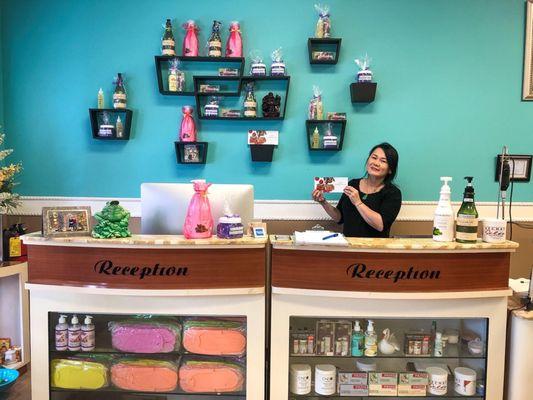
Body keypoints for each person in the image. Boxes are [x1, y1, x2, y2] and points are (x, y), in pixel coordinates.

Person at [312, 142, 402, 238]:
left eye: (383, 161)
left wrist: (358, 202)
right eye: (374, 157)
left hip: (375, 249)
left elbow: (380, 226)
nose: (376, 163)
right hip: (349, 247)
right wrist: (323, 202)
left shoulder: (393, 193)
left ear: (390, 169)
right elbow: (339, 218)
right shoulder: (353, 184)